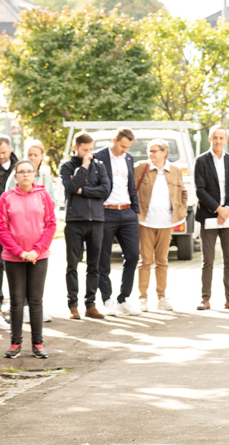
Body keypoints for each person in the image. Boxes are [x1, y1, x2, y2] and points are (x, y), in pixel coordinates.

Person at [0, 159, 56, 359]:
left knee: (35, 300)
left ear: (35, 175)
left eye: (29, 171)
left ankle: (38, 343)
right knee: (16, 300)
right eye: (21, 171)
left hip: (38, 256)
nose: (25, 174)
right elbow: (1, 229)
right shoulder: (6, 198)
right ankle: (15, 343)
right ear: (15, 176)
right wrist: (19, 252)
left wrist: (37, 250)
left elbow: (50, 225)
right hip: (14, 257)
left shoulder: (43, 195)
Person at [60, 132, 111, 319]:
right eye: (85, 150)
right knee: (72, 265)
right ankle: (73, 305)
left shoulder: (100, 166)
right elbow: (72, 187)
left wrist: (84, 190)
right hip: (75, 221)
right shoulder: (66, 166)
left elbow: (105, 190)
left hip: (96, 220)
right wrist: (83, 167)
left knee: (94, 265)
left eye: (91, 149)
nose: (89, 153)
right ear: (76, 148)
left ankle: (91, 304)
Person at [195, 125, 229, 311]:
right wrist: (217, 209)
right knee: (207, 260)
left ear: (226, 140)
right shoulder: (201, 161)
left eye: (221, 138)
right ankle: (205, 298)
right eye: (215, 137)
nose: (218, 141)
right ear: (209, 138)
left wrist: (228, 209)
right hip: (209, 216)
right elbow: (200, 189)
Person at [135, 139, 187, 311]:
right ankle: (142, 298)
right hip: (145, 221)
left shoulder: (175, 171)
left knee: (162, 261)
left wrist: (182, 211)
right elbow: (132, 189)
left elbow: (183, 193)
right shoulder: (141, 168)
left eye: (155, 151)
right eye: (149, 151)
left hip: (166, 222)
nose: (151, 154)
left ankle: (162, 297)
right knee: (145, 261)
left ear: (165, 152)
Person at [95, 128, 141, 316]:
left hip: (127, 212)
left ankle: (124, 298)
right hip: (106, 213)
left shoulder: (128, 158)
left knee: (133, 255)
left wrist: (135, 211)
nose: (125, 150)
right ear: (114, 140)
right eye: (122, 146)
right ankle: (107, 299)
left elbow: (132, 186)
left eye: (128, 147)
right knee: (103, 258)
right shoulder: (98, 158)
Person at [0, 135, 18, 315]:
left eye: (3, 152)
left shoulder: (19, 167)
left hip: (18, 221)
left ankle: (19, 301)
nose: (0, 156)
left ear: (10, 149)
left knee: (17, 263)